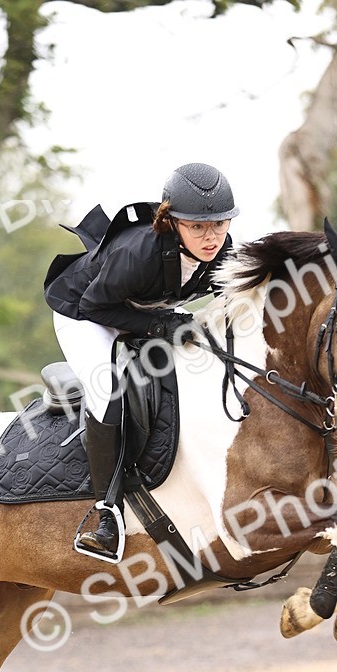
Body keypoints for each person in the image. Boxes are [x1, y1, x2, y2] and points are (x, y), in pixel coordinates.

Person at [44, 162, 238, 560]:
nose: (211, 237)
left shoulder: (222, 251)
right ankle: (106, 516)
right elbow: (94, 305)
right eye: (198, 227)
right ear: (171, 222)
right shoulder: (138, 252)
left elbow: (230, 302)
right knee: (108, 393)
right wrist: (159, 326)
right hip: (86, 314)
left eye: (219, 224)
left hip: (142, 308)